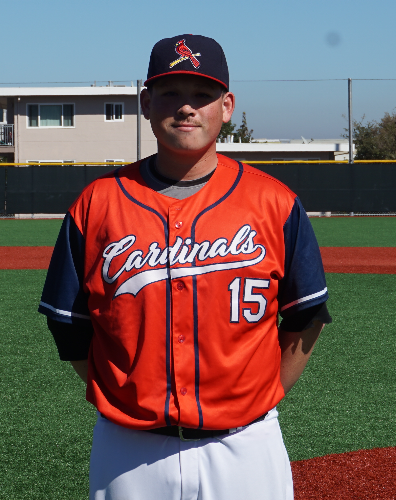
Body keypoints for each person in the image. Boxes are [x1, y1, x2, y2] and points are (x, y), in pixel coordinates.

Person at [39, 34, 331, 500]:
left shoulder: (274, 203)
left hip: (246, 444)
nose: (186, 107)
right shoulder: (96, 204)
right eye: (170, 92)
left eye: (202, 94)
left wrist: (258, 397)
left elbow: (306, 316)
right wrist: (128, 396)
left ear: (227, 106)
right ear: (145, 103)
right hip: (128, 448)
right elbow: (69, 326)